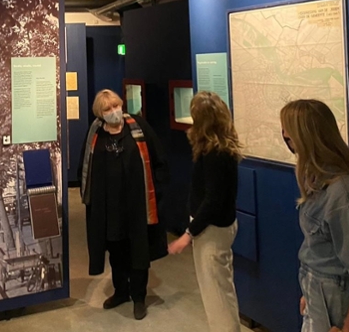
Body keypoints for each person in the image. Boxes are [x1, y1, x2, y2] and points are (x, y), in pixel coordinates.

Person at [280, 99, 349, 332]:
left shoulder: (345, 195)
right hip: (323, 308)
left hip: (341, 316)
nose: (285, 137)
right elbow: (322, 252)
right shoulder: (319, 182)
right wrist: (312, 294)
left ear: (305, 138)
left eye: (288, 133)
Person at [78, 89, 169, 320]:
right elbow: (85, 167)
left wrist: (157, 191)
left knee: (138, 252)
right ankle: (121, 291)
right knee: (116, 252)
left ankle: (139, 297)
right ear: (100, 113)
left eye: (116, 106)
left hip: (137, 206)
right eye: (107, 109)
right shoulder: (95, 134)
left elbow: (159, 160)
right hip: (109, 208)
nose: (114, 112)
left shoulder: (138, 127)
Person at [168, 91, 241, 332]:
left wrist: (188, 234)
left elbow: (212, 201)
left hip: (211, 233)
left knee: (217, 298)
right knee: (222, 290)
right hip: (219, 228)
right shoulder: (221, 147)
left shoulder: (215, 154)